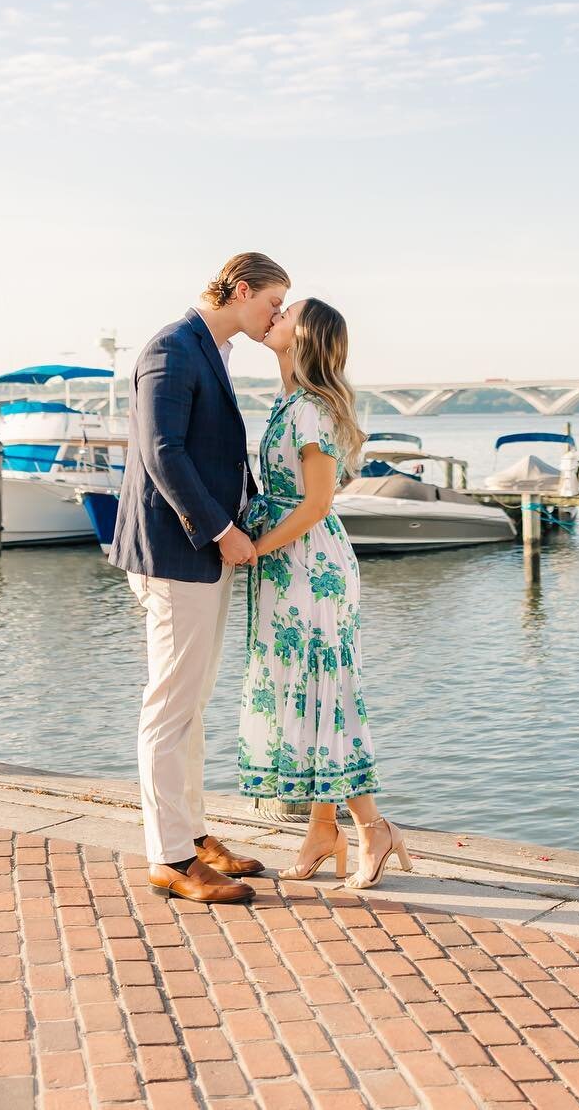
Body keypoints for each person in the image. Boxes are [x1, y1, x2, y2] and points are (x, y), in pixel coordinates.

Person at [110, 252, 291, 904]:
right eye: (273, 304)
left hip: (199, 553)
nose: (276, 317)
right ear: (242, 291)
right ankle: (169, 857)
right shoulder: (173, 348)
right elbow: (162, 451)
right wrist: (222, 528)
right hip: (177, 551)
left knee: (192, 701)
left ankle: (191, 836)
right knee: (170, 703)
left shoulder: (206, 350)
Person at [238, 298, 410, 890]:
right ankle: (321, 829)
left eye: (286, 313)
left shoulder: (310, 409)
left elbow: (316, 504)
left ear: (302, 336)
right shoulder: (290, 402)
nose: (274, 315)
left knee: (321, 693)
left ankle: (371, 826)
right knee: (306, 696)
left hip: (309, 564)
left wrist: (253, 549)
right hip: (290, 564)